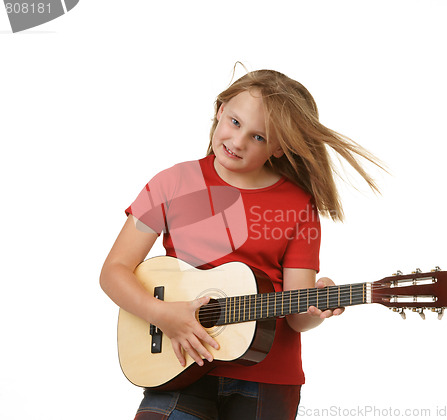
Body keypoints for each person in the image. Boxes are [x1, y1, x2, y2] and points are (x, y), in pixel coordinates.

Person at [100, 68, 382, 419]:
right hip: (178, 363)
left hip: (267, 379)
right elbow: (114, 271)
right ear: (219, 110)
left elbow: (296, 318)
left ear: (279, 148)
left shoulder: (298, 204)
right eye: (234, 122)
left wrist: (316, 308)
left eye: (259, 138)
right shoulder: (173, 182)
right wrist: (162, 315)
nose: (238, 141)